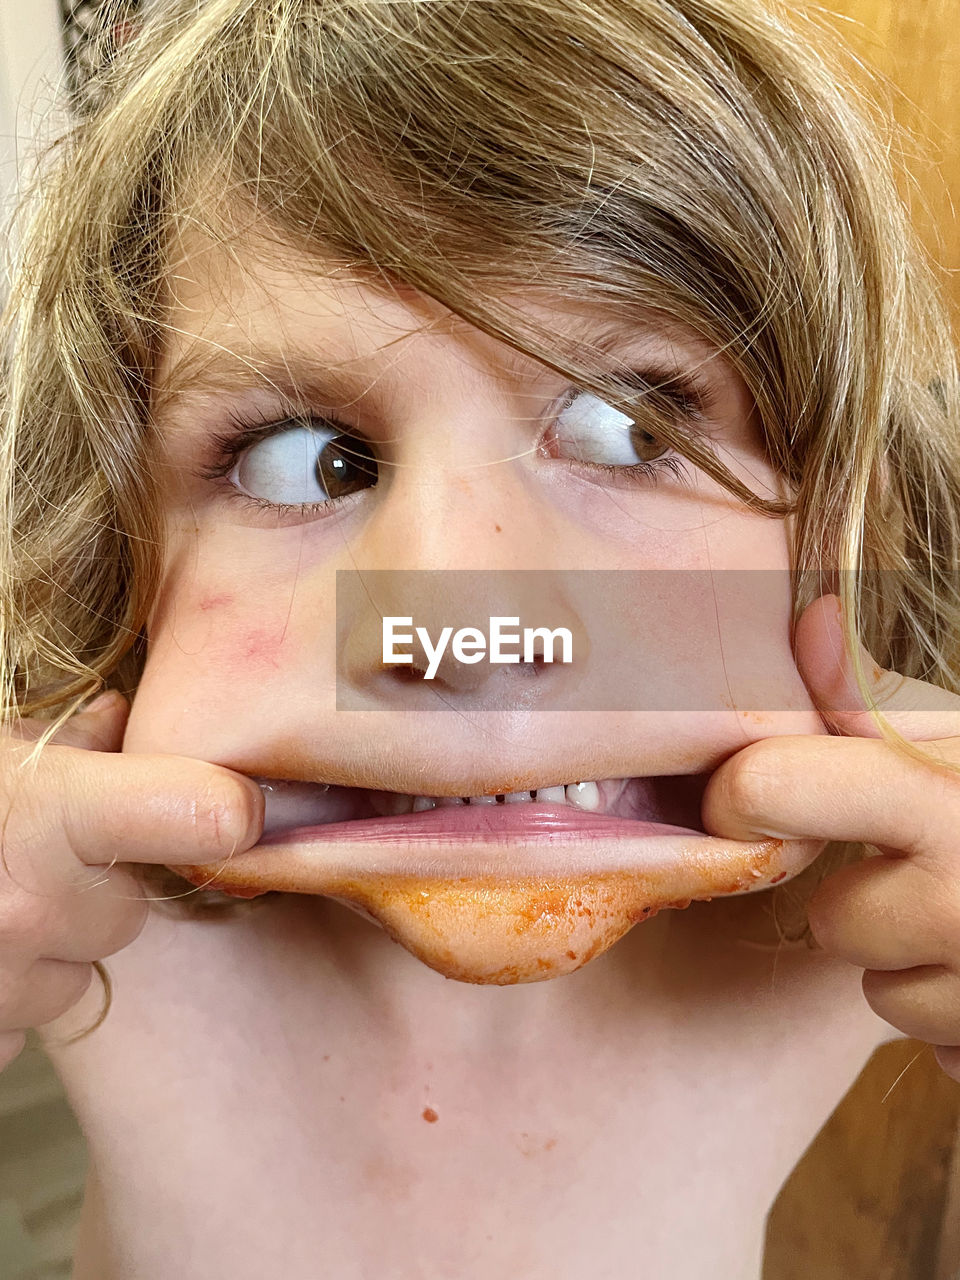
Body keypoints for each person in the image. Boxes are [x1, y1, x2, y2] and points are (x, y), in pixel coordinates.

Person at [2, 0, 960, 1275]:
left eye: (633, 429)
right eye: (309, 460)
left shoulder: (865, 910)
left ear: (838, 525)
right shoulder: (82, 911)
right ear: (116, 564)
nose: (466, 625)